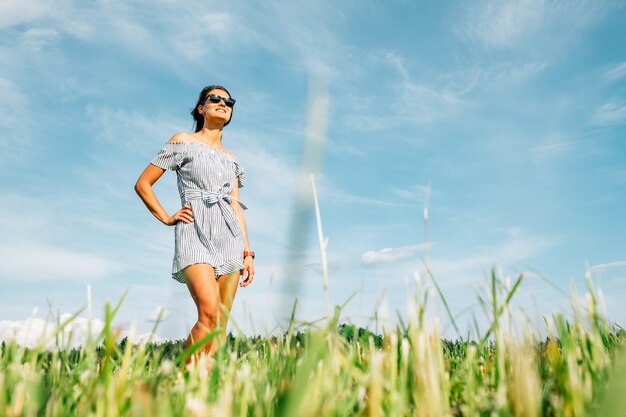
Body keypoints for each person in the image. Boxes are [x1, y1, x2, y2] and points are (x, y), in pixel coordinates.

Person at [134, 85, 255, 364]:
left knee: (221, 324)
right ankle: (177, 378)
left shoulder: (233, 160)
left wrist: (247, 253)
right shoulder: (182, 141)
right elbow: (143, 184)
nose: (223, 103)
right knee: (209, 313)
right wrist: (166, 217)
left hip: (230, 239)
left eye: (229, 101)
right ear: (201, 108)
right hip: (194, 233)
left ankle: (204, 389)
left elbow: (236, 206)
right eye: (215, 98)